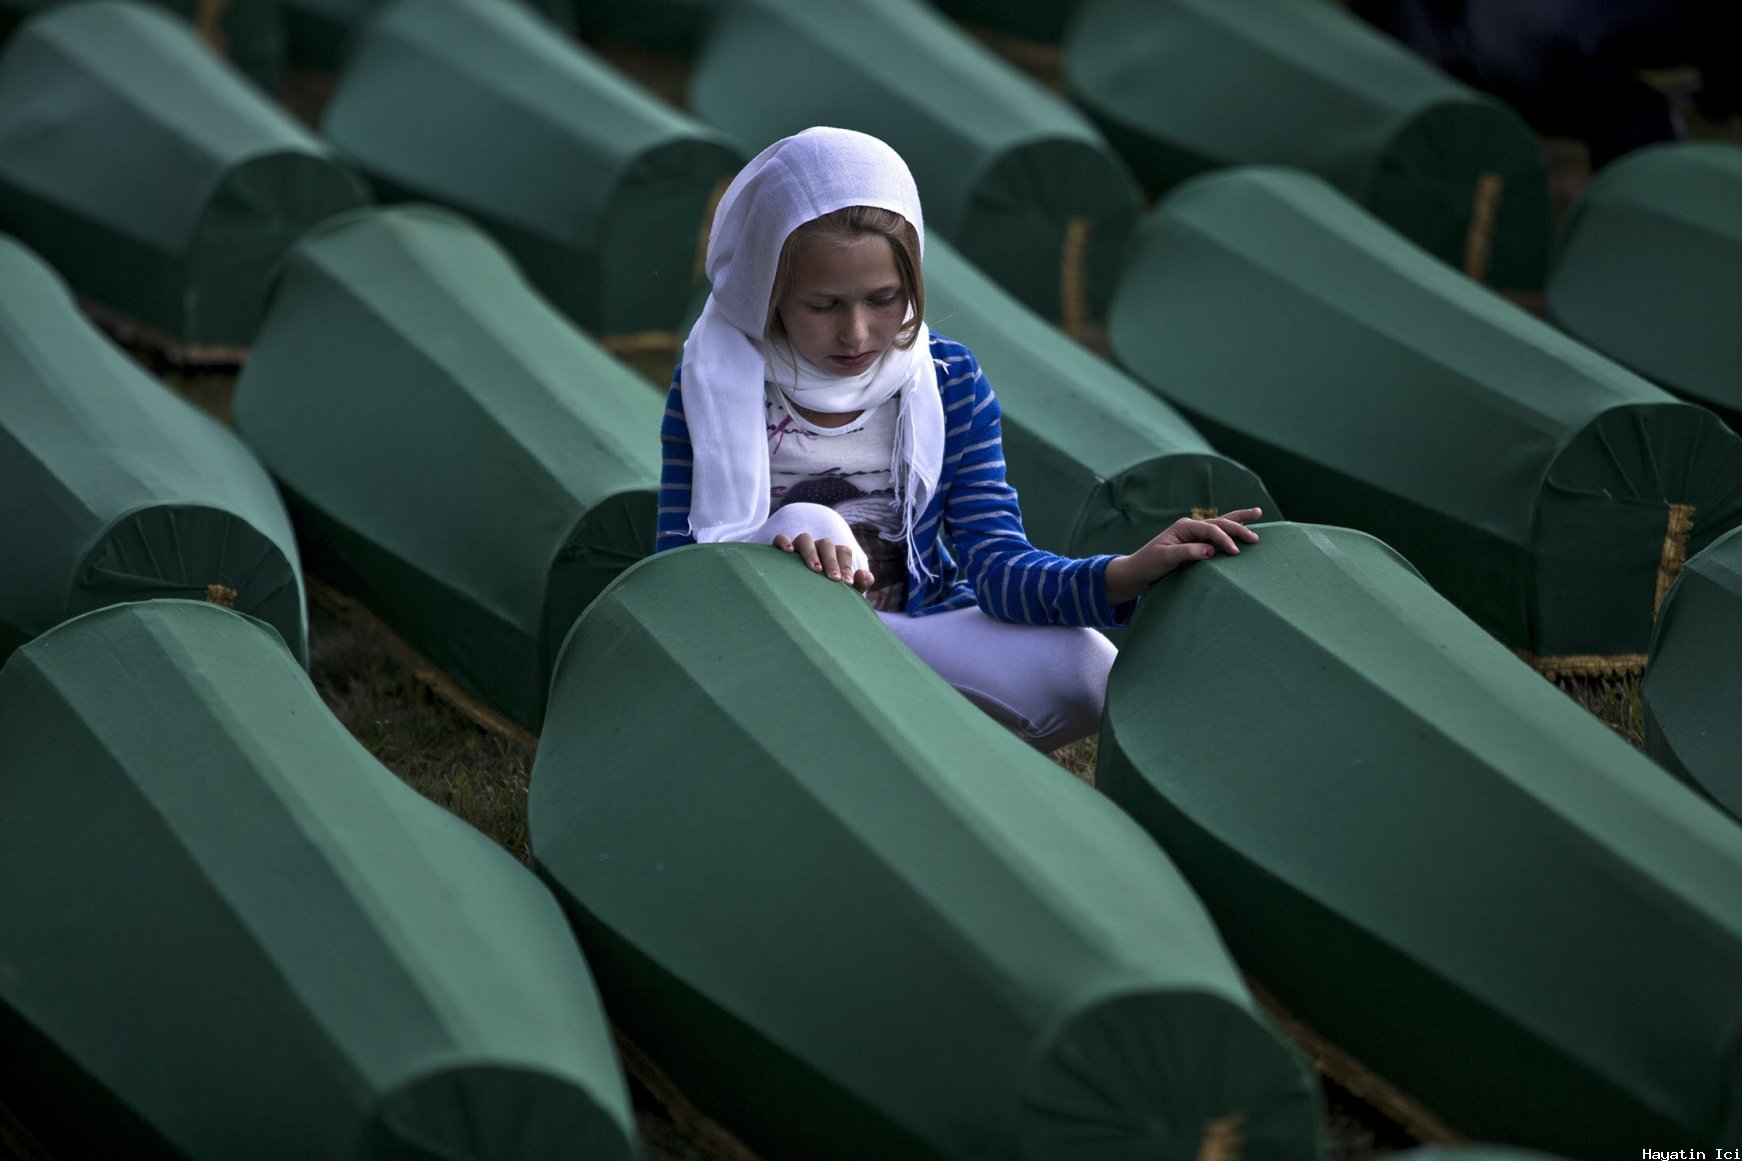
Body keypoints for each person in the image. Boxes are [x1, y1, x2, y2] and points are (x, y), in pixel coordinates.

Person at [657, 126, 1259, 751]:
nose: (857, 333)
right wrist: (776, 543)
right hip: (777, 641)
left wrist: (1123, 573)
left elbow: (998, 564)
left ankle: (921, 746)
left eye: (885, 299)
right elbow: (676, 565)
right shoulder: (715, 384)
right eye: (823, 305)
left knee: (1085, 668)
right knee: (817, 522)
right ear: (768, 290)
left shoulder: (948, 382)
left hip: (912, 628)